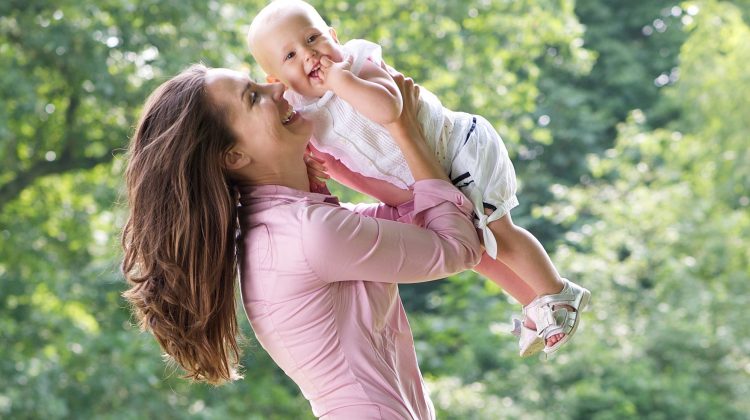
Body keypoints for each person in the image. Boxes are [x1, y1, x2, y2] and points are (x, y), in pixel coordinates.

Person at [121, 62, 483, 418]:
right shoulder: (308, 234)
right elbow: (459, 246)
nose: (276, 88)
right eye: (253, 97)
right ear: (234, 156)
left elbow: (416, 220)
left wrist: (343, 170)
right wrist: (402, 127)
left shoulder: (289, 225)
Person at [246, 0, 591, 357]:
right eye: (290, 56)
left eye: (313, 38)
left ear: (333, 36)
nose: (309, 54)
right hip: (428, 179)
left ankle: (560, 293)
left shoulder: (357, 63)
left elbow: (390, 110)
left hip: (460, 150)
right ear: (278, 82)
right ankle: (533, 304)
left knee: (498, 233)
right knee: (478, 253)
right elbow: (351, 173)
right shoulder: (306, 116)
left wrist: (340, 79)